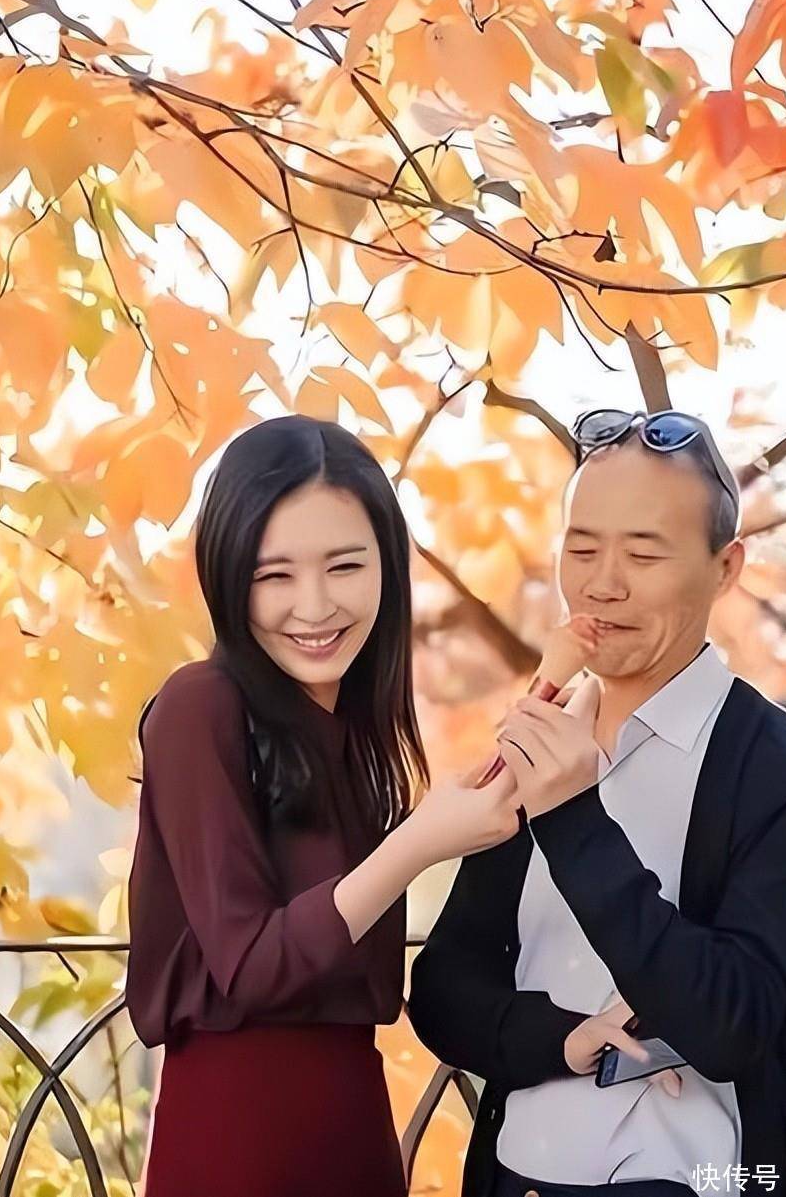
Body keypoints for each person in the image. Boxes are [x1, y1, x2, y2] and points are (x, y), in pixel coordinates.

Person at [408, 409, 786, 1197]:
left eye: (643, 553)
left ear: (726, 568)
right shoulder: (534, 746)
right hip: (516, 1175)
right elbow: (443, 990)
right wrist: (564, 1037)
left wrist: (573, 818)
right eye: (581, 549)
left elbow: (733, 1024)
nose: (601, 584)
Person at [126, 414, 521, 1197]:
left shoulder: (352, 730)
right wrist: (417, 842)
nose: (314, 606)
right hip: (237, 1136)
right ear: (227, 573)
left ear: (387, 567)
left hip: (353, 1122)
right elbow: (252, 966)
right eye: (274, 575)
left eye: (345, 566)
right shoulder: (199, 706)